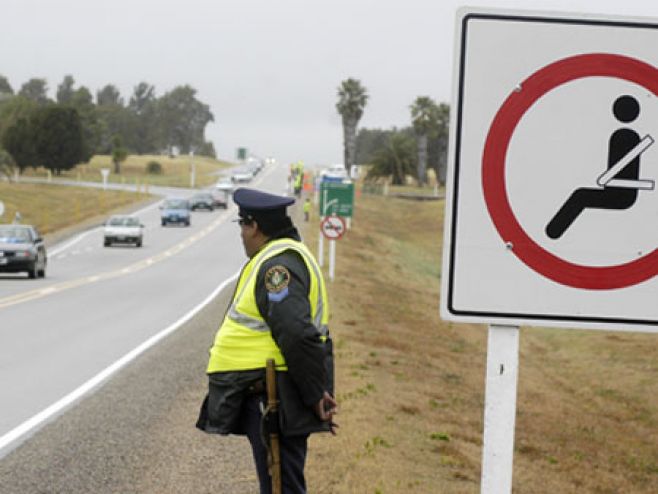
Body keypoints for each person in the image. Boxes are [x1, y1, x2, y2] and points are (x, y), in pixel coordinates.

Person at [197, 187, 337, 494]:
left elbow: (296, 332)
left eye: (241, 226)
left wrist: (314, 394)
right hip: (268, 392)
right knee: (278, 483)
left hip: (274, 395)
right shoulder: (277, 257)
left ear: (254, 226)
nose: (242, 235)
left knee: (281, 486)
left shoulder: (278, 266)